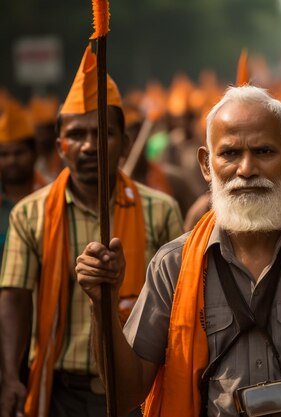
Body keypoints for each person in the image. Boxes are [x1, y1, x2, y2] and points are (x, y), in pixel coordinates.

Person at [75, 86, 281, 417]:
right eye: (229, 154)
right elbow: (126, 394)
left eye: (264, 152)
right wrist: (103, 305)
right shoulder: (173, 265)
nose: (246, 169)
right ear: (205, 164)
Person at [0, 45, 183, 417]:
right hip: (61, 391)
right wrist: (9, 376)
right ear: (58, 146)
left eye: (102, 133)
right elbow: (15, 298)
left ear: (125, 142)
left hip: (138, 387)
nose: (89, 146)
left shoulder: (160, 209)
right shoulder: (29, 214)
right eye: (76, 135)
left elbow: (177, 303)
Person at [0, 97, 47, 260]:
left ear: (34, 154)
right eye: (4, 154)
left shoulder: (51, 199)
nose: (11, 160)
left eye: (19, 153)